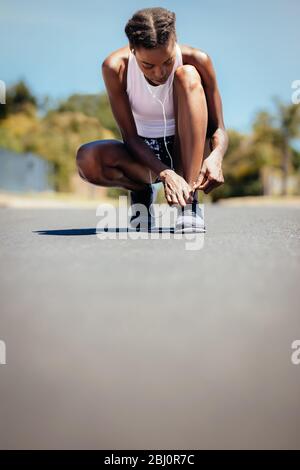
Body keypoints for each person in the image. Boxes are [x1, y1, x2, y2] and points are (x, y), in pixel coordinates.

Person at [76, 6, 228, 232]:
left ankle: (189, 205)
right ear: (132, 49)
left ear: (175, 41)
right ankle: (142, 190)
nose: (160, 73)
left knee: (187, 75)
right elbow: (130, 137)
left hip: (187, 151)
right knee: (87, 160)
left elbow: (219, 130)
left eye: (167, 61)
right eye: (148, 65)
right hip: (144, 155)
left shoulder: (198, 60)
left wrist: (216, 156)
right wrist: (164, 173)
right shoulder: (115, 67)